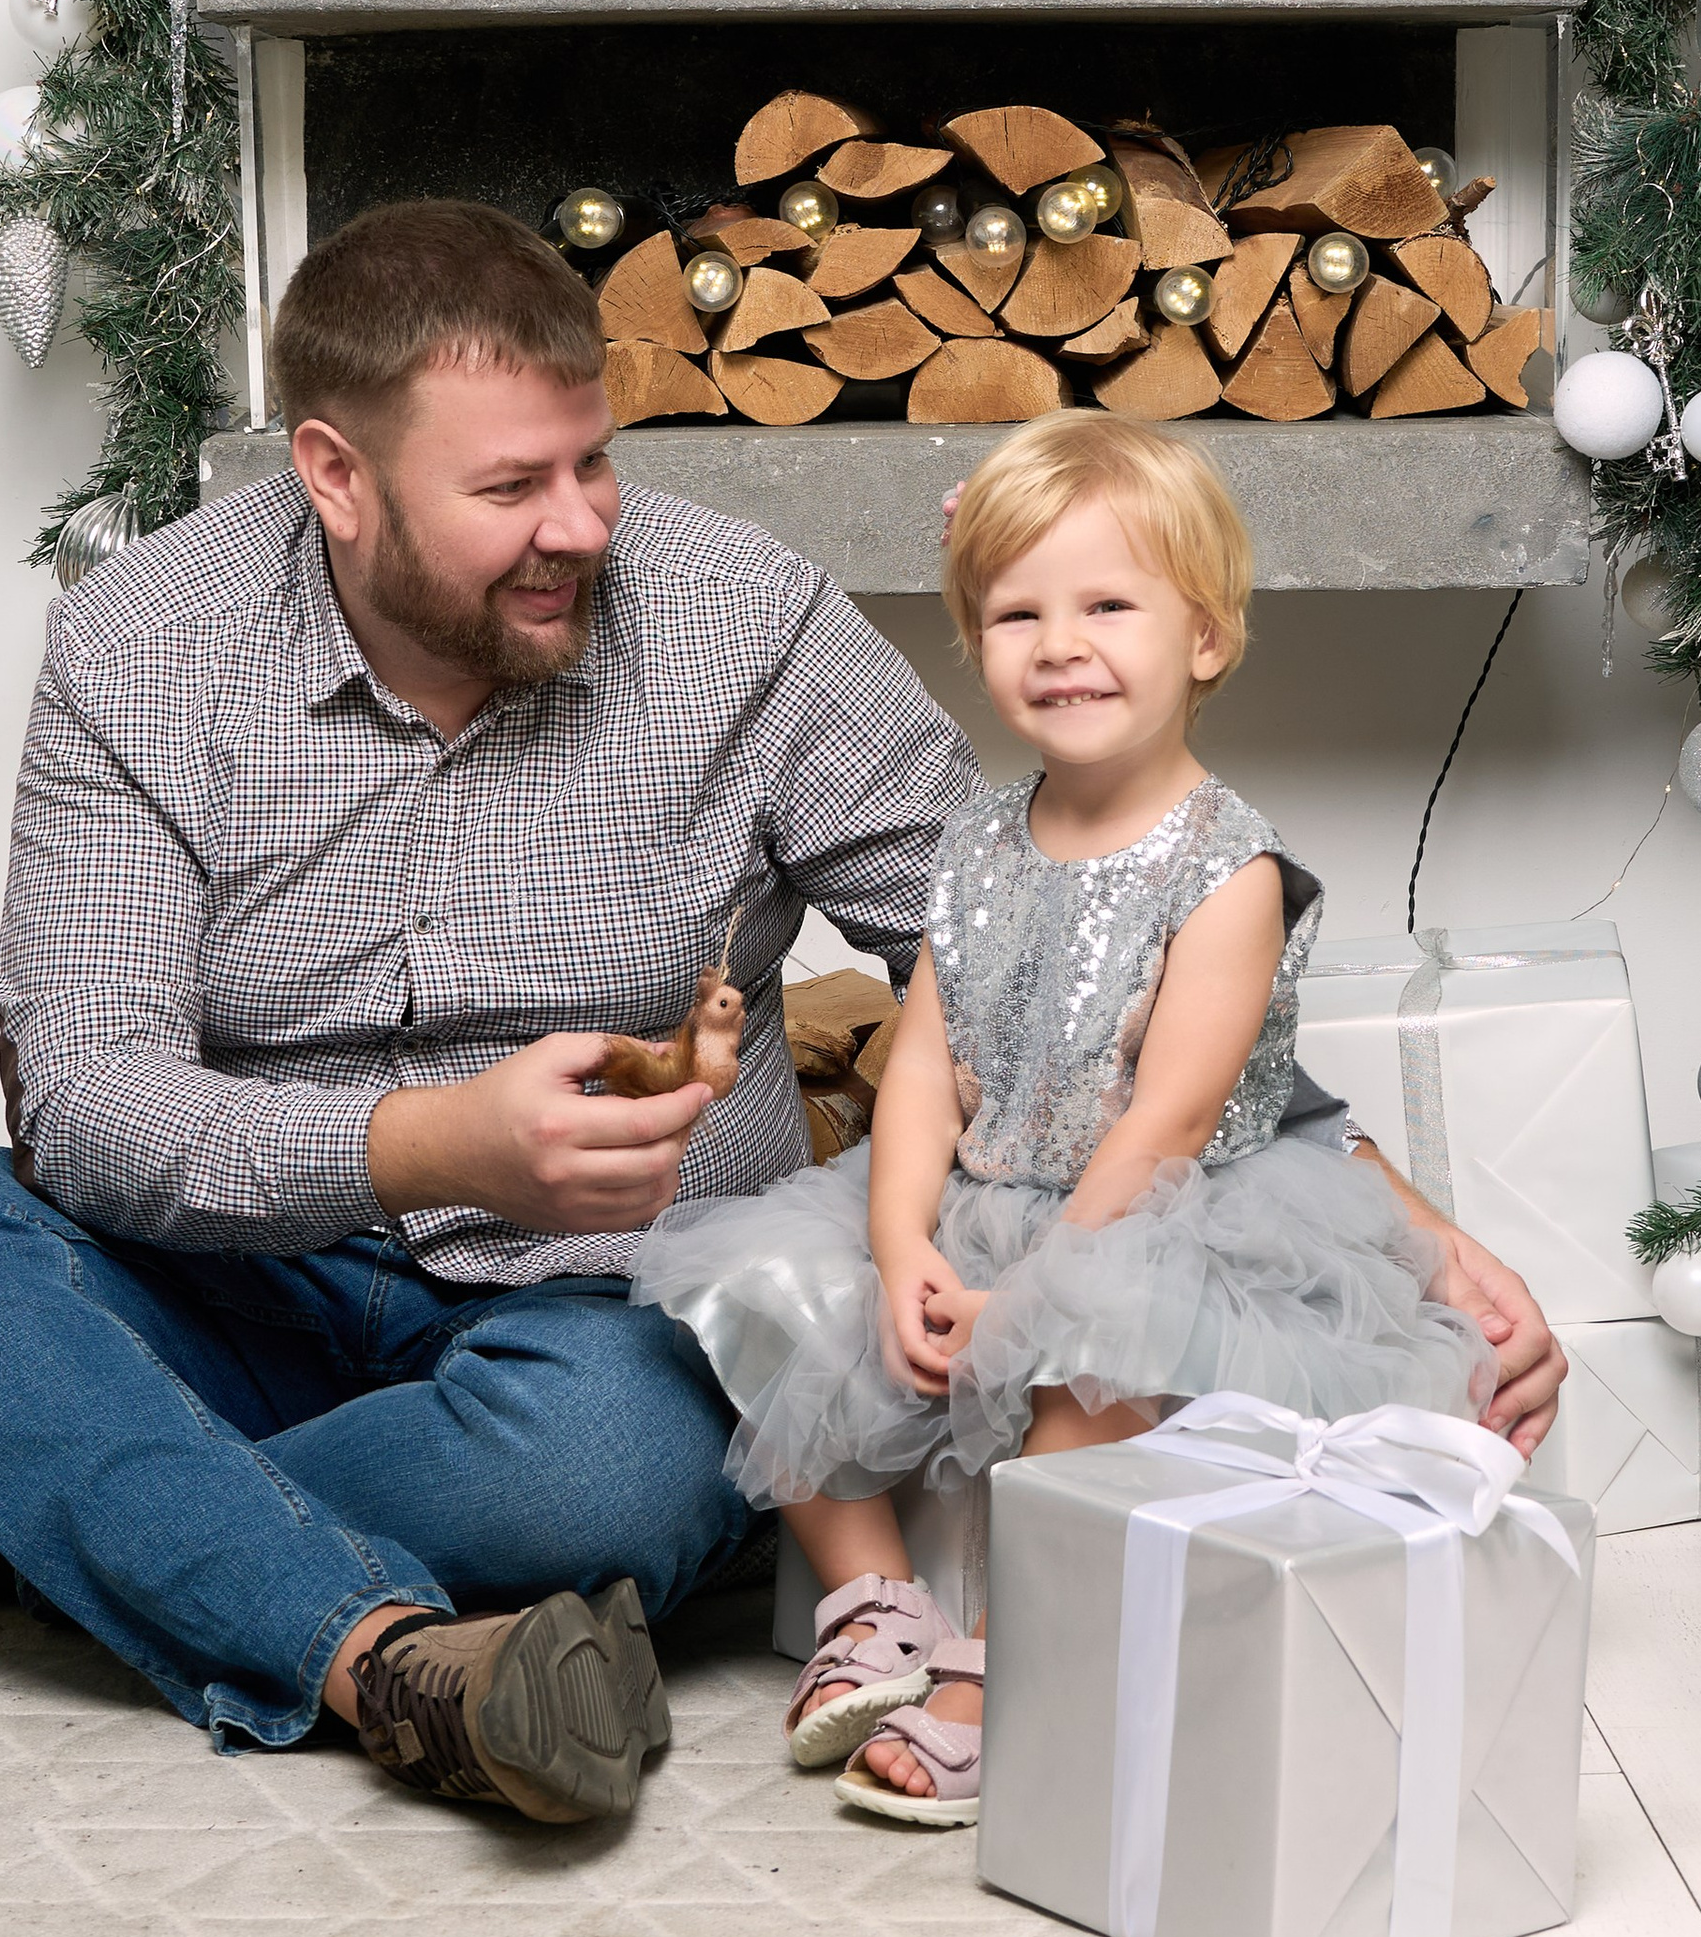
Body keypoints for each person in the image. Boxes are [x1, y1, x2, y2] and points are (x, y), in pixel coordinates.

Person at [0, 199, 984, 1830]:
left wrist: (1328, 1148)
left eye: (592, 460)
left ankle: (14, 1501)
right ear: (334, 475)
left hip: (595, 1311)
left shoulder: (747, 621)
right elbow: (89, 1104)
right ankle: (380, 1652)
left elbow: (1010, 928)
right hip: (234, 1283)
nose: (582, 522)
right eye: (510, 487)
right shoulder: (144, 642)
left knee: (599, 1472)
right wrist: (428, 1144)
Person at [635, 413, 1568, 1826]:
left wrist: (1032, 1288)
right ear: (978, 641)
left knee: (1093, 1347)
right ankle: (875, 1598)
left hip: (1153, 1212)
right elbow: (920, 1078)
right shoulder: (972, 849)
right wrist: (901, 1249)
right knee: (767, 1281)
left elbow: (1173, 1119)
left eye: (1108, 604)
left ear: (1205, 636)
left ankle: (1008, 1658)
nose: (1059, 642)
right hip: (986, 1192)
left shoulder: (1227, 864)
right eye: (1016, 613)